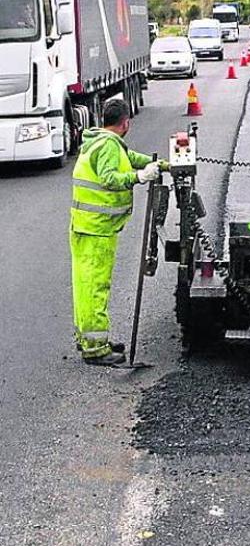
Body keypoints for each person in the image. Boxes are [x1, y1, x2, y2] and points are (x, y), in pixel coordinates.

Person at [70, 96, 165, 366]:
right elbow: (110, 178)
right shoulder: (109, 146)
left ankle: (87, 338)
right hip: (97, 229)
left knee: (84, 285)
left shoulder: (99, 140)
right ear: (125, 123)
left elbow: (130, 157)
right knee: (95, 286)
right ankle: (96, 348)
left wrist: (160, 164)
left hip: (85, 225)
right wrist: (140, 177)